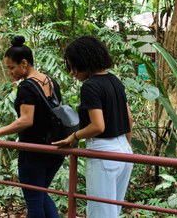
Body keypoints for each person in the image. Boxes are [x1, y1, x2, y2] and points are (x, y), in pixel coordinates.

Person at [0, 35, 64, 218]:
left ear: (24, 63)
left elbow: (26, 120)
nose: (10, 72)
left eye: (11, 68)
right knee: (40, 195)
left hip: (34, 152)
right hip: (55, 150)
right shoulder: (51, 82)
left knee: (34, 203)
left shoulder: (26, 87)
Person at [52, 36, 133, 218]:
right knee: (112, 210)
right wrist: (127, 148)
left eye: (73, 66)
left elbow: (98, 126)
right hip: (124, 152)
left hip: (103, 152)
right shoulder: (115, 81)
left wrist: (74, 137)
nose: (72, 72)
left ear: (84, 61)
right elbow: (128, 118)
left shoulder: (90, 86)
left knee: (100, 213)